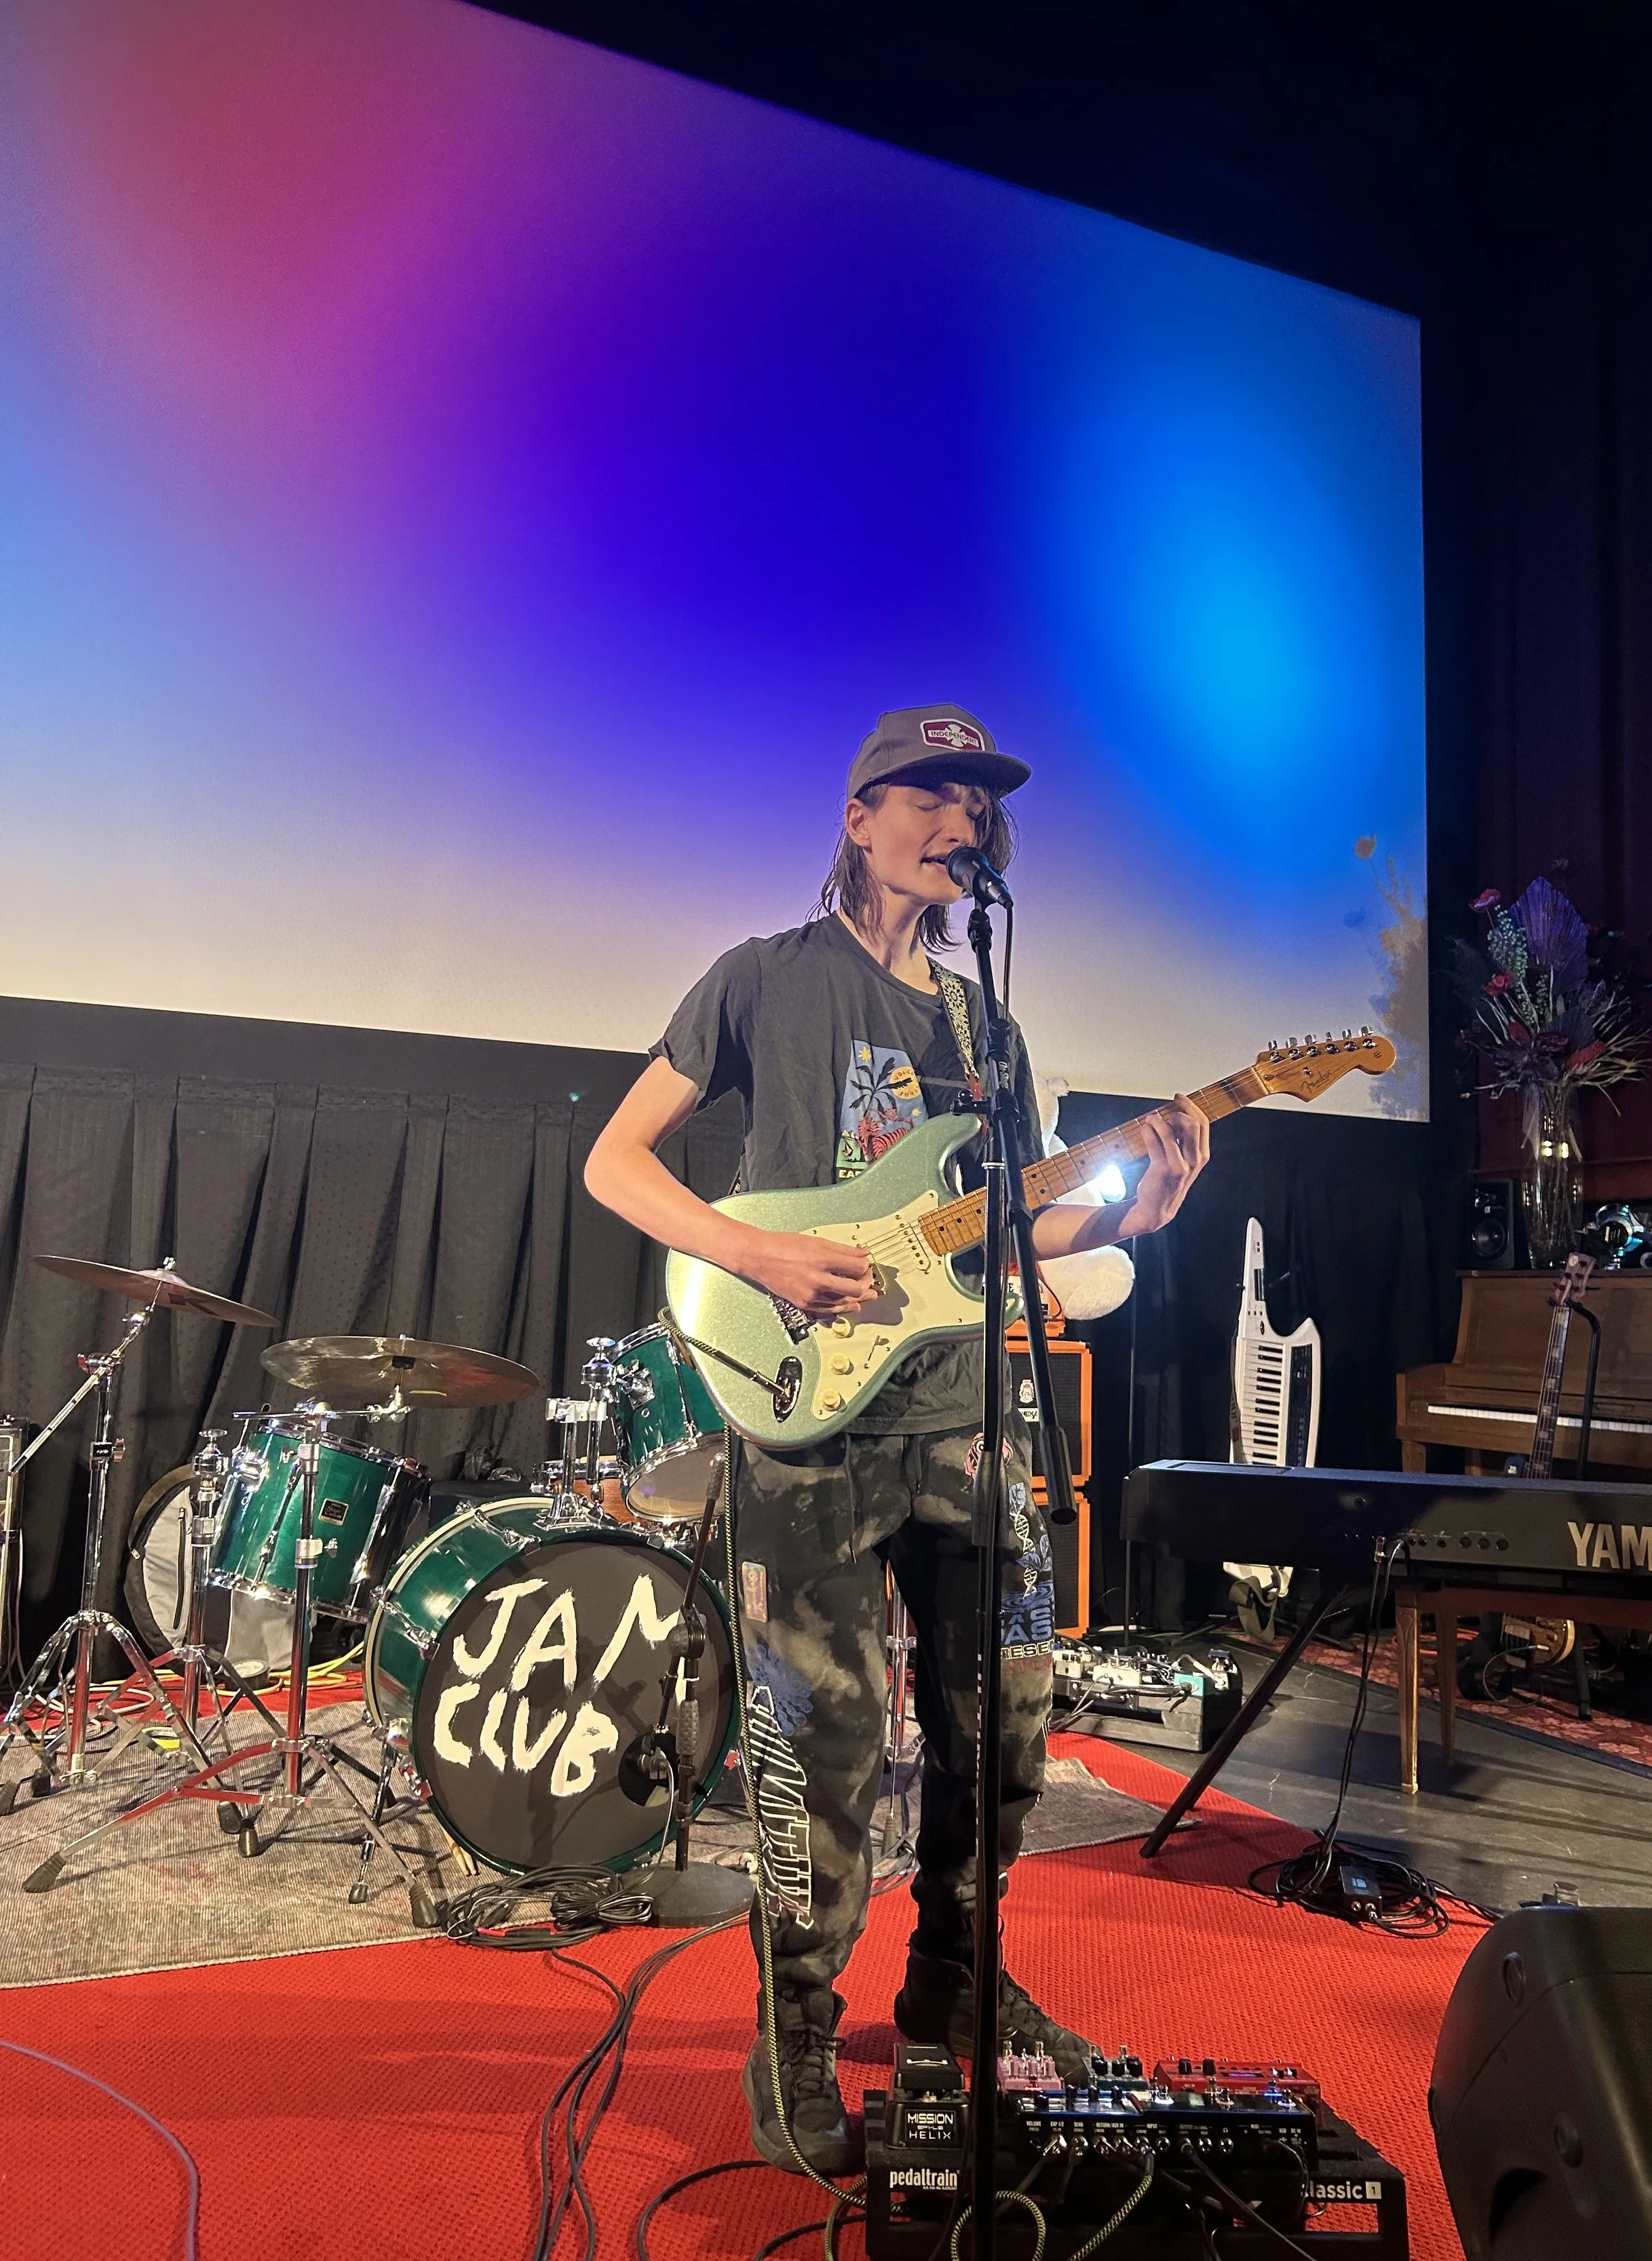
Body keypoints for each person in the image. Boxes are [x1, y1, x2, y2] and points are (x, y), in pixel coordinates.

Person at [584, 706, 1210, 2175]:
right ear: (858, 817)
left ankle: (957, 1980)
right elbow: (616, 1160)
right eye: (926, 795)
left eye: (976, 803)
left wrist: (1130, 1210)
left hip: (963, 1419)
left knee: (1007, 1723)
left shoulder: (985, 1024)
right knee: (821, 1737)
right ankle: (797, 2026)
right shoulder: (761, 978)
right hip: (807, 1421)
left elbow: (1009, 1231)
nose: (957, 821)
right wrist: (754, 1252)